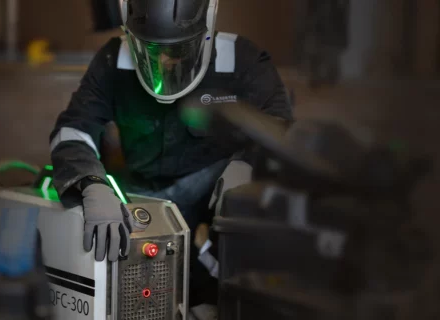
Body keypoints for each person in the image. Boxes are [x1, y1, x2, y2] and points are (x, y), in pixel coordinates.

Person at [49, 0, 293, 304]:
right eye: (151, 50)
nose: (164, 61)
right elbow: (73, 130)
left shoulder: (241, 61)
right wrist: (90, 183)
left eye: (178, 51)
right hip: (142, 200)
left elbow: (280, 129)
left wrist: (245, 167)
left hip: (211, 202)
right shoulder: (113, 60)